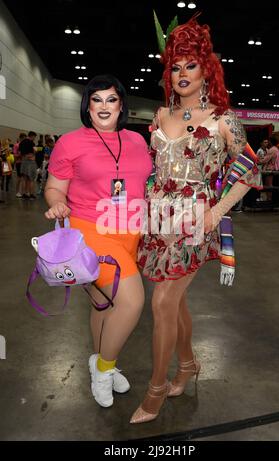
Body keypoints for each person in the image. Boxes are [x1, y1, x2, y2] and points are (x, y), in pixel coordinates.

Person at [130, 15, 260, 424]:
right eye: (175, 66)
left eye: (191, 65)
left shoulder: (225, 119)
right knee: (175, 302)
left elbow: (250, 170)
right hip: (157, 219)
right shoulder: (160, 114)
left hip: (194, 222)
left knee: (163, 301)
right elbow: (153, 168)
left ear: (207, 70)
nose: (182, 73)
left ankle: (155, 392)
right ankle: (187, 364)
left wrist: (215, 213)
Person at [45, 75, 152, 408]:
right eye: (97, 99)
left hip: (130, 231)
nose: (104, 106)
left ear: (121, 106)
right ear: (87, 106)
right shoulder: (70, 142)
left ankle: (102, 361)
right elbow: (54, 187)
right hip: (90, 229)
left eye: (111, 99)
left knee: (103, 304)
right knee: (132, 301)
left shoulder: (137, 140)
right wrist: (56, 203)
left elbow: (143, 183)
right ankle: (104, 369)